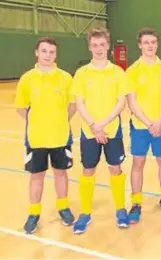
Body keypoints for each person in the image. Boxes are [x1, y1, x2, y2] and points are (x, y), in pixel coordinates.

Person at [71, 27, 133, 234]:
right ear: (89, 47)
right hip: (89, 132)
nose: (99, 49)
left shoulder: (117, 72)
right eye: (95, 45)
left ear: (108, 46)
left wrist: (103, 124)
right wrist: (93, 126)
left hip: (112, 130)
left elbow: (121, 102)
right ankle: (85, 213)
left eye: (102, 45)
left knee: (115, 169)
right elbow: (79, 102)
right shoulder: (81, 73)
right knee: (88, 170)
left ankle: (120, 210)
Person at [15, 37, 76, 234]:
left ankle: (63, 207)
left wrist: (59, 120)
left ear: (56, 54)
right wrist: (37, 121)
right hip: (36, 138)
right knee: (36, 176)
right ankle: (34, 213)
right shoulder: (27, 78)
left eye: (51, 52)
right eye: (44, 51)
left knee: (61, 173)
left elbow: (72, 105)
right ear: (37, 52)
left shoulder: (66, 78)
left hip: (60, 136)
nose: (48, 55)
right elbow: (20, 107)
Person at [126, 27, 161, 224]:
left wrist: (158, 122)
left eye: (153, 42)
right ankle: (136, 203)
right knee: (138, 164)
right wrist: (149, 123)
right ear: (140, 45)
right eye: (146, 42)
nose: (150, 46)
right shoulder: (132, 71)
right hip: (140, 127)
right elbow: (132, 102)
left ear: (157, 44)